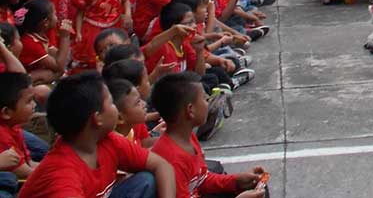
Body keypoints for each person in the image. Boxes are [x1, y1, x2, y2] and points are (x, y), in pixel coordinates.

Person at [19, 72, 175, 197]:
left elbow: (162, 165)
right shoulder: (62, 177)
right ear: (97, 118)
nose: (115, 108)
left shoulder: (107, 140)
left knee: (146, 180)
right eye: (112, 103)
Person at [151, 72, 268, 198]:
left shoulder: (187, 137)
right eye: (205, 99)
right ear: (190, 110)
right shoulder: (171, 161)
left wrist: (236, 181)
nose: (208, 103)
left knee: (257, 187)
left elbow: (202, 180)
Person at [0, 72, 39, 182]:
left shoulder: (14, 128)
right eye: (29, 101)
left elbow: (29, 163)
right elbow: (25, 172)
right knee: (8, 180)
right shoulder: (2, 134)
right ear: (6, 112)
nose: (34, 105)